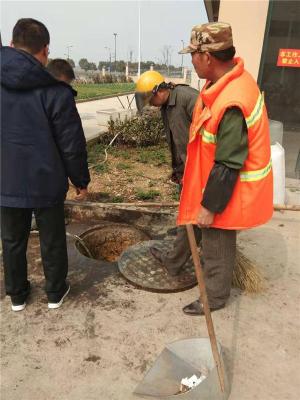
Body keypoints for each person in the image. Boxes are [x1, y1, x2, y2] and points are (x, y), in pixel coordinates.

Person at [177, 22, 273, 315]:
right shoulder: (219, 85)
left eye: (193, 54)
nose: (191, 60)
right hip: (207, 182)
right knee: (189, 224)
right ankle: (175, 259)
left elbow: (229, 163)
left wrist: (210, 206)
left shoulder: (233, 100)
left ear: (207, 57)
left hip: (225, 189)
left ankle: (215, 297)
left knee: (217, 245)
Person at [1, 18, 90, 311]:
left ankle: (16, 296)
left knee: (12, 240)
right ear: (45, 51)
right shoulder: (56, 92)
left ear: (12, 45)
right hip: (46, 181)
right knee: (52, 238)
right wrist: (80, 180)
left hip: (6, 181)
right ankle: (55, 293)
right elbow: (71, 144)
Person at [135, 71, 202, 276]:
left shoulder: (189, 99)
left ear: (160, 90)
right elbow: (177, 141)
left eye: (151, 99)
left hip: (200, 170)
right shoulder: (166, 106)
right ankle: (188, 244)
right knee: (190, 218)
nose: (151, 104)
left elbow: (208, 137)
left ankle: (174, 261)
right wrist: (178, 169)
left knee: (190, 220)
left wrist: (194, 172)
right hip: (186, 170)